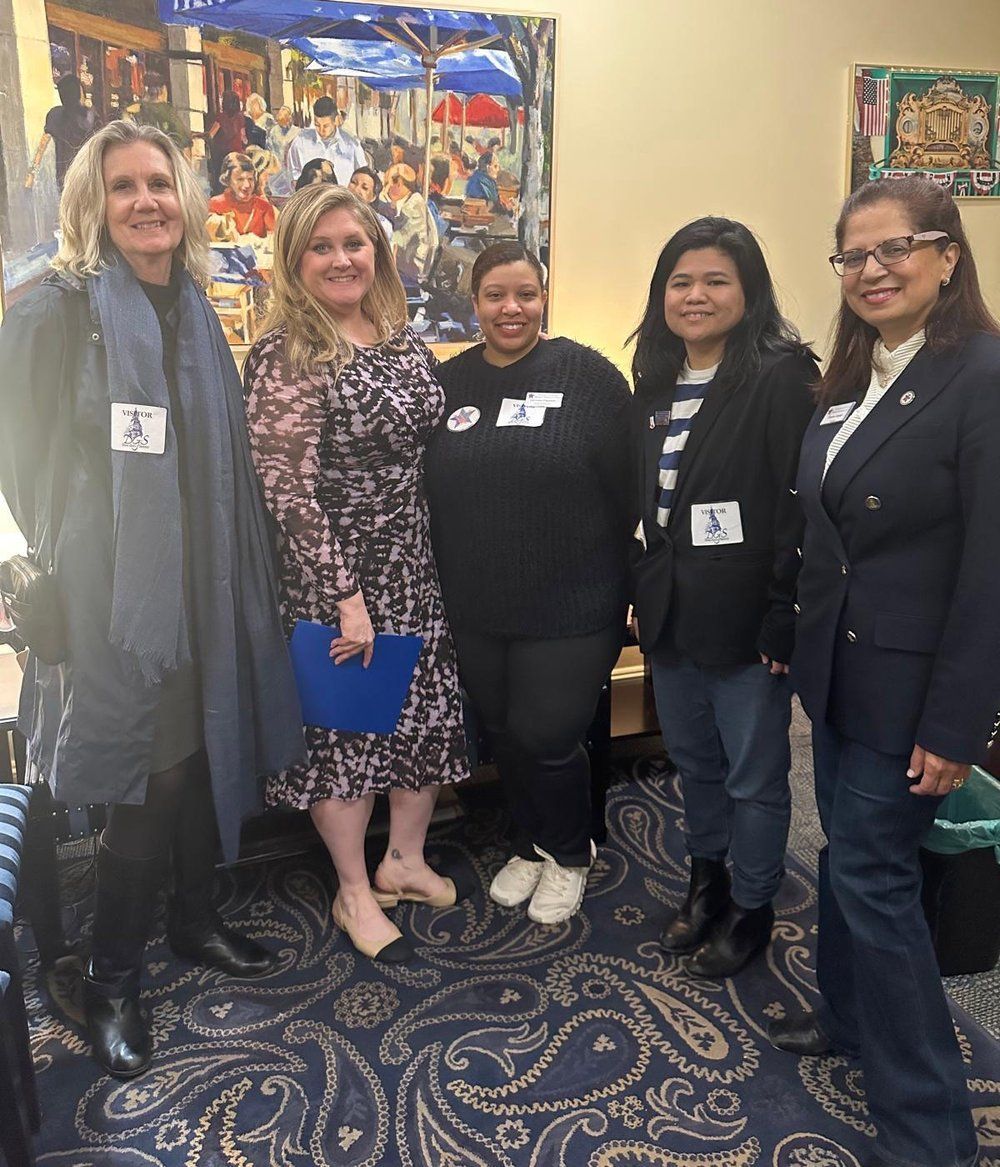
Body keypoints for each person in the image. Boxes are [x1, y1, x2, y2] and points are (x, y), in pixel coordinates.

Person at [0, 121, 304, 1078]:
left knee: (198, 748)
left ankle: (194, 919)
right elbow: (14, 459)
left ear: (185, 199)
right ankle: (111, 978)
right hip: (111, 597)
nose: (145, 201)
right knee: (150, 773)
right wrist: (47, 562)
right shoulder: (56, 310)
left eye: (159, 184)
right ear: (91, 202)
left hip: (205, 582)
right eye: (123, 185)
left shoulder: (198, 309)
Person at [768, 175, 1000, 1167]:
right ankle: (848, 1018)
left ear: (946, 256)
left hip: (911, 694)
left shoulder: (982, 375)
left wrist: (957, 725)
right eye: (852, 254)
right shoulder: (853, 376)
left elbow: (991, 570)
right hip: (838, 680)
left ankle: (929, 1127)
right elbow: (825, 536)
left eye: (892, 247)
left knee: (873, 875)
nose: (870, 269)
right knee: (850, 859)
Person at [243, 184, 469, 965]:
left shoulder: (399, 336)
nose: (342, 259)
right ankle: (352, 888)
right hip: (338, 576)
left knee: (420, 717)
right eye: (322, 246)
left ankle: (402, 860)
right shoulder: (288, 352)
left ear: (378, 250)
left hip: (413, 560)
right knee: (348, 733)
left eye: (355, 243)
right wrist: (346, 595)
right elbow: (287, 489)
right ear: (295, 259)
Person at [627, 218, 817, 977]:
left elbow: (797, 506)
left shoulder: (781, 375)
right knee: (695, 764)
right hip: (672, 616)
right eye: (680, 282)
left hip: (748, 622)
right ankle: (707, 883)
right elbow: (651, 504)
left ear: (749, 291)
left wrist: (784, 612)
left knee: (754, 777)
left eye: (715, 281)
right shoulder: (655, 379)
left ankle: (754, 904)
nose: (695, 296)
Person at [424, 242, 633, 924]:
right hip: (478, 606)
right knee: (505, 735)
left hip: (573, 604)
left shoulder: (589, 377)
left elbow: (627, 491)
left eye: (526, 294)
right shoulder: (448, 382)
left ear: (544, 299)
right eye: (495, 295)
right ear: (474, 303)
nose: (511, 308)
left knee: (547, 736)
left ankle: (571, 851)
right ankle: (530, 842)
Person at [26, 74, 98, 191]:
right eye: (81, 91)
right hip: (87, 175)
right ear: (76, 94)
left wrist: (32, 174)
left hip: (64, 176)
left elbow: (42, 146)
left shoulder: (55, 115)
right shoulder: (88, 116)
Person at [285, 96, 366, 185]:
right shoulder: (301, 141)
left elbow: (363, 176)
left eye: (326, 126)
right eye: (317, 125)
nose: (321, 130)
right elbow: (292, 174)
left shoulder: (352, 145)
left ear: (336, 120)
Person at [385, 163, 438, 283]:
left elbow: (403, 237)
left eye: (388, 183)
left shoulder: (414, 204)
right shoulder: (405, 203)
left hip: (414, 269)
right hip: (406, 263)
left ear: (399, 184)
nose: (386, 188)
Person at [207, 151, 276, 238]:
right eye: (240, 179)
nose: (247, 185)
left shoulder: (264, 207)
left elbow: (274, 239)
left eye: (250, 179)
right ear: (227, 180)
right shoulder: (215, 204)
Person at [136, 74, 192, 156]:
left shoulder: (136, 108)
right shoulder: (167, 110)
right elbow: (182, 137)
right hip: (165, 154)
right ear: (161, 90)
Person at [206, 90, 248, 192]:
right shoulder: (240, 117)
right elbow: (244, 138)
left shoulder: (221, 117)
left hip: (222, 154)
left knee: (221, 178)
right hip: (236, 152)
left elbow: (211, 135)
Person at [348, 165, 395, 238]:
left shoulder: (381, 225)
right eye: (353, 182)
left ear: (373, 197)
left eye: (364, 188)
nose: (356, 189)